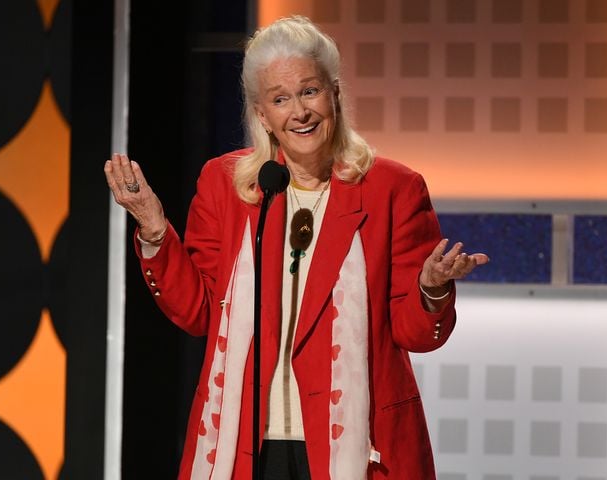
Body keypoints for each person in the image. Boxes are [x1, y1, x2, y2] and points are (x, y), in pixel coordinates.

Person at [104, 15, 488, 480]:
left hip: (357, 445)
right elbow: (199, 311)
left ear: (335, 94)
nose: (299, 112)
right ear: (262, 115)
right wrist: (155, 230)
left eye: (310, 91)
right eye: (280, 99)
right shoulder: (227, 186)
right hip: (246, 442)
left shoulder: (393, 188)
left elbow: (413, 333)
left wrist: (429, 289)